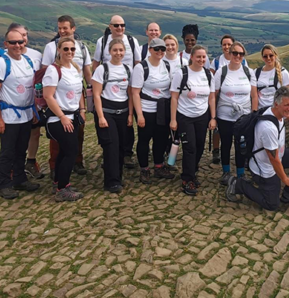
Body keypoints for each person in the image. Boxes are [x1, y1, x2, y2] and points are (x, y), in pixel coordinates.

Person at [225, 86, 289, 209]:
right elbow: (273, 159)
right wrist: (285, 179)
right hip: (264, 166)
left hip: (277, 156)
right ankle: (239, 184)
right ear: (276, 104)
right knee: (272, 204)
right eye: (287, 105)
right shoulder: (268, 128)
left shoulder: (276, 112)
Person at [0, 30, 40, 200]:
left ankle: (19, 179)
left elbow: (30, 88)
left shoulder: (27, 61)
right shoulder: (0, 63)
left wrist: (33, 110)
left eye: (20, 42)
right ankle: (3, 183)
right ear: (6, 44)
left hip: (25, 114)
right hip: (9, 115)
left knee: (21, 149)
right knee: (7, 151)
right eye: (13, 42)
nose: (17, 45)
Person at [42, 15, 92, 176]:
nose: (62, 31)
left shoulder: (82, 47)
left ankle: (77, 161)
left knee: (78, 131)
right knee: (58, 135)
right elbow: (45, 71)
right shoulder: (51, 47)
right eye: (60, 28)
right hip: (59, 94)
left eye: (65, 28)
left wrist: (91, 91)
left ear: (73, 29)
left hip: (77, 92)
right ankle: (55, 166)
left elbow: (87, 70)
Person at [92, 15, 140, 169]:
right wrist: (99, 82)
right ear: (110, 26)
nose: (120, 28)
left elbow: (137, 63)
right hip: (108, 89)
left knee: (127, 126)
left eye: (122, 25)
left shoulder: (132, 41)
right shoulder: (102, 41)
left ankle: (126, 154)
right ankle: (110, 155)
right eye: (116, 25)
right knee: (107, 128)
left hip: (127, 88)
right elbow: (96, 62)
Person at [170, 45, 216, 196]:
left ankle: (192, 171)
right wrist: (173, 119)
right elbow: (174, 97)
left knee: (200, 146)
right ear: (192, 57)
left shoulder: (208, 75)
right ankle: (187, 178)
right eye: (198, 57)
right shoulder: (182, 73)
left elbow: (212, 97)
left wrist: (213, 117)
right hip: (185, 116)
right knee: (189, 148)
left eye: (204, 57)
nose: (201, 60)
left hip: (202, 116)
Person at [43, 37, 85, 202]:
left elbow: (79, 90)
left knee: (64, 151)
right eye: (66, 49)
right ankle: (63, 188)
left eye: (72, 49)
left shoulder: (75, 67)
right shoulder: (53, 70)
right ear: (59, 50)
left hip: (72, 115)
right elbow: (48, 96)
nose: (69, 52)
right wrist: (62, 117)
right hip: (59, 118)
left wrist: (82, 109)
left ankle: (58, 182)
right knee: (71, 152)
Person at [92, 39, 134, 193]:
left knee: (122, 147)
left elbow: (130, 94)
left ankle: (119, 176)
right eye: (115, 50)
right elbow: (96, 95)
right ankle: (111, 181)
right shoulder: (102, 69)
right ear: (109, 51)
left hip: (123, 112)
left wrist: (130, 114)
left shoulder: (128, 69)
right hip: (107, 112)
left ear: (124, 52)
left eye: (121, 50)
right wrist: (101, 116)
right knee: (111, 147)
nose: (118, 53)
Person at [132, 38, 175, 184]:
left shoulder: (167, 65)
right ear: (150, 49)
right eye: (157, 49)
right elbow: (135, 93)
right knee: (144, 140)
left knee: (161, 139)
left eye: (163, 49)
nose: (160, 52)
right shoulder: (141, 67)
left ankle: (158, 166)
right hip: (147, 108)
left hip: (163, 109)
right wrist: (139, 115)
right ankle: (144, 169)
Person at [214, 41, 258, 184]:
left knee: (241, 146)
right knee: (226, 144)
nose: (237, 56)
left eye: (241, 54)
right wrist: (213, 116)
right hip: (224, 116)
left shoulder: (248, 72)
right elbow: (214, 95)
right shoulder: (221, 71)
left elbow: (254, 96)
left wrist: (254, 115)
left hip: (244, 116)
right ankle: (226, 172)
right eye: (235, 53)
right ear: (230, 53)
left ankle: (240, 174)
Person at [7, 23, 46, 181]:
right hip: (12, 106)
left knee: (34, 133)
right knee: (14, 138)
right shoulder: (4, 56)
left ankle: (30, 161)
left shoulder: (36, 55)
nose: (22, 38)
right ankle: (12, 168)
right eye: (19, 35)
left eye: (25, 35)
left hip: (33, 103)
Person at [210, 34, 241, 165]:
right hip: (220, 98)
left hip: (237, 98)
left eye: (229, 44)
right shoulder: (216, 61)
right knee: (217, 127)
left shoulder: (241, 60)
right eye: (224, 44)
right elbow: (210, 78)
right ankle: (216, 150)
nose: (226, 47)